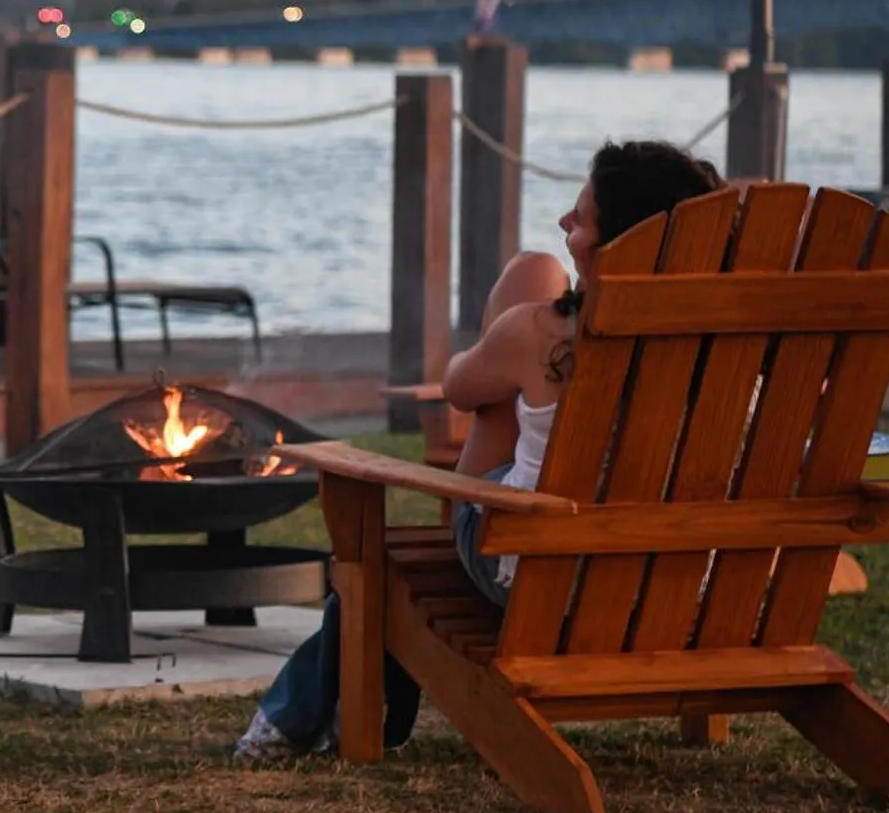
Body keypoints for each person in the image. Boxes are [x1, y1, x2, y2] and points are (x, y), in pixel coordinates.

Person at [234, 139, 725, 759]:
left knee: (382, 551)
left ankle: (291, 720)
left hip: (540, 577)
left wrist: (506, 339)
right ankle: (286, 720)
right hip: (690, 582)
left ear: (622, 243)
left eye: (582, 219)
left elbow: (459, 388)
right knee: (534, 283)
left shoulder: (545, 333)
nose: (565, 225)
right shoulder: (743, 347)